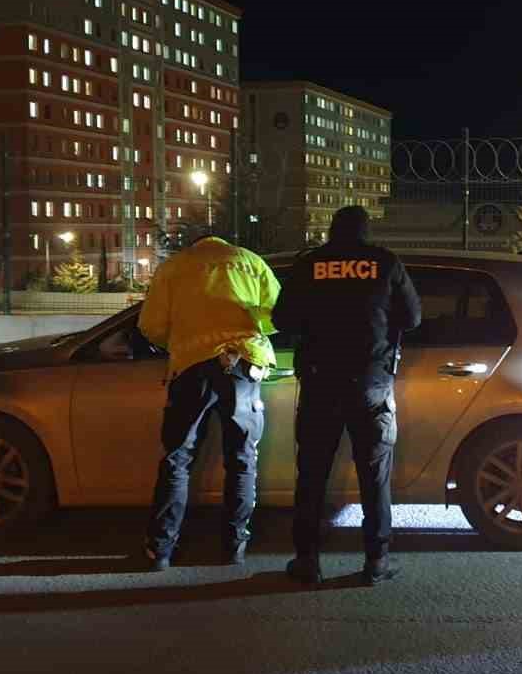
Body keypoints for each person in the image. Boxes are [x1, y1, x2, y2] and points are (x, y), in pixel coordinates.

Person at [272, 205, 421, 586]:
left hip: (321, 383)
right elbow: (413, 317)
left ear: (331, 231)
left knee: (312, 476)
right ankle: (376, 561)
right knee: (374, 476)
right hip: (370, 384)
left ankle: (307, 560)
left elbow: (282, 319)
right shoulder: (384, 262)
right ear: (365, 232)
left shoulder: (310, 264)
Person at [138, 232, 281, 570]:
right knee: (242, 458)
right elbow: (276, 315)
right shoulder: (251, 261)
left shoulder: (175, 267)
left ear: (197, 245)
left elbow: (151, 326)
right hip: (244, 364)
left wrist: (180, 338)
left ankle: (160, 549)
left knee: (178, 457)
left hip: (192, 366)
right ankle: (234, 546)